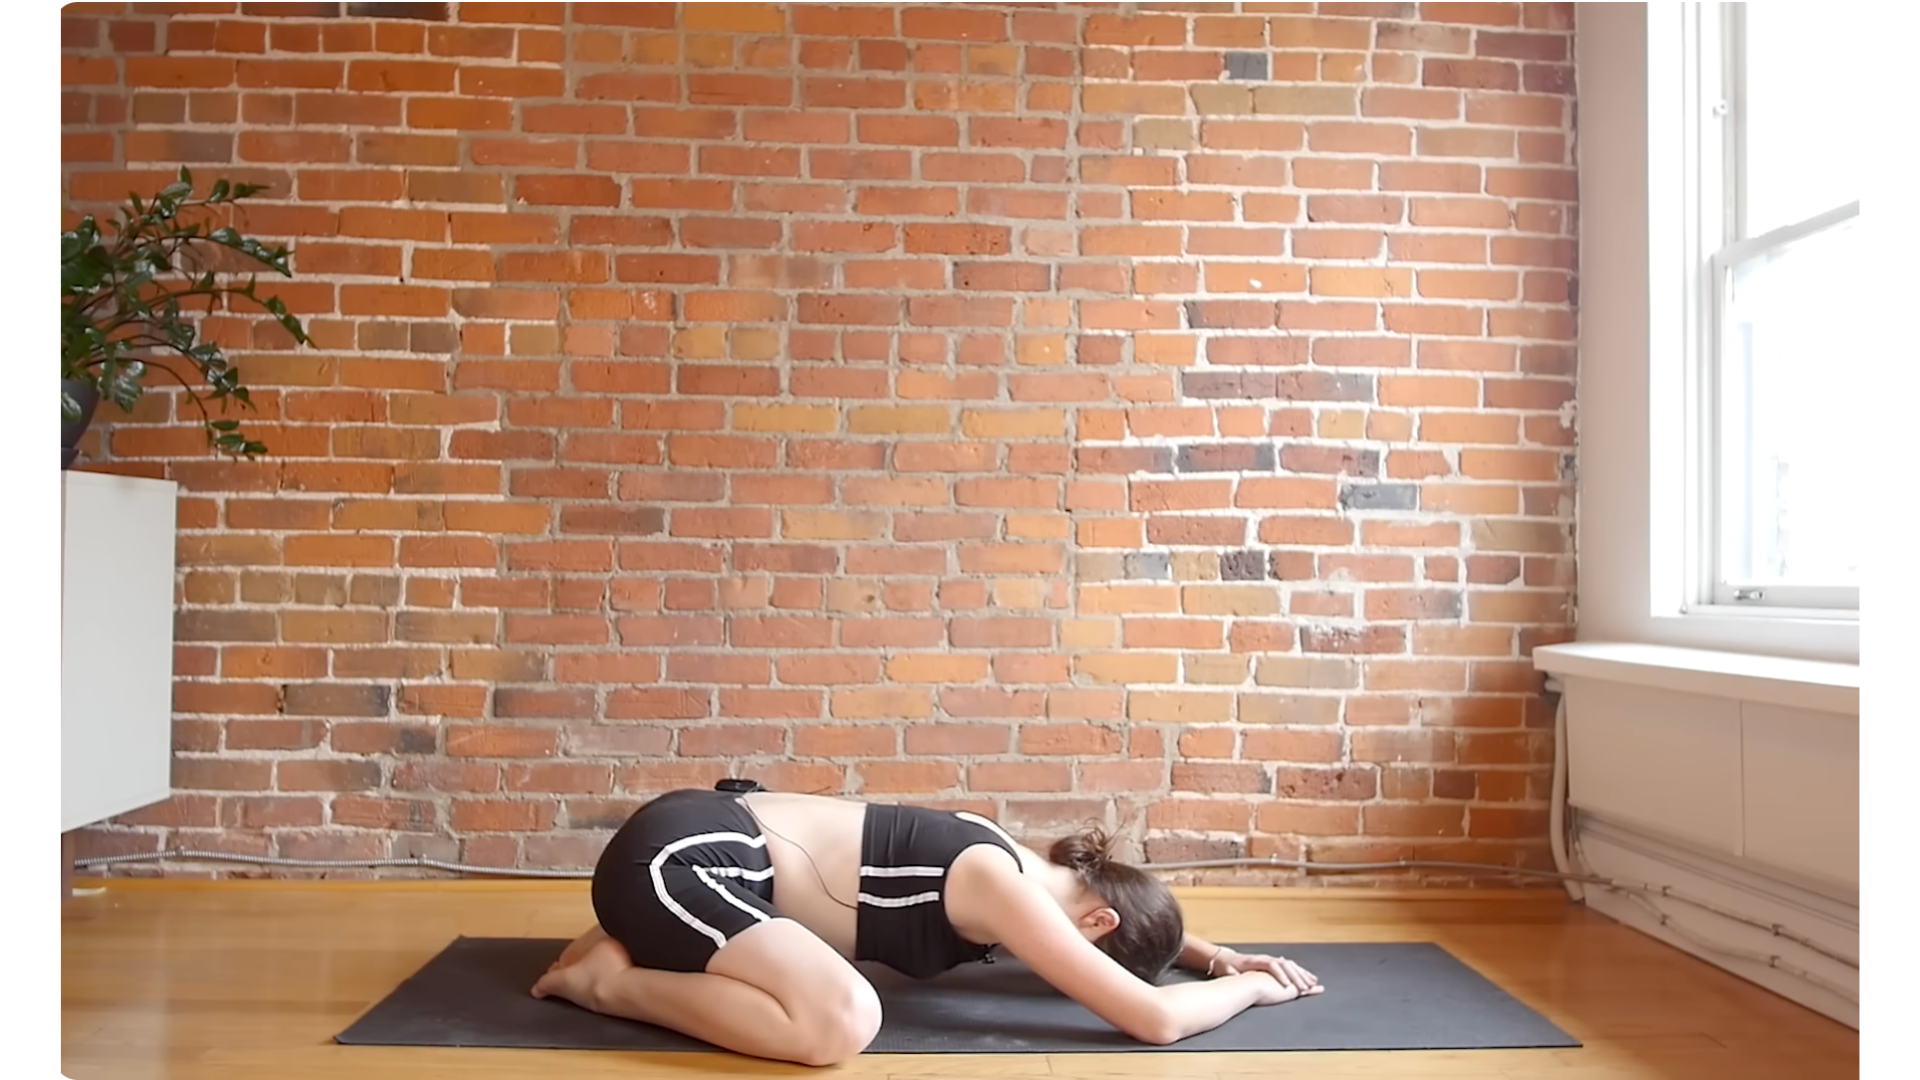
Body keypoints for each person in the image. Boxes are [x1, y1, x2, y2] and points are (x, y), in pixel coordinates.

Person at [531, 784, 1323, 1066]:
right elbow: (1150, 1019)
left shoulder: (1020, 862)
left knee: (838, 1011)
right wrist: (1251, 990)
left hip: (700, 855)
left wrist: (1214, 954)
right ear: (1098, 920)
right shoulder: (999, 883)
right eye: (1099, 952)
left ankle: (627, 954)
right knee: (842, 1021)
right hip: (685, 862)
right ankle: (609, 983)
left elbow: (1125, 907)